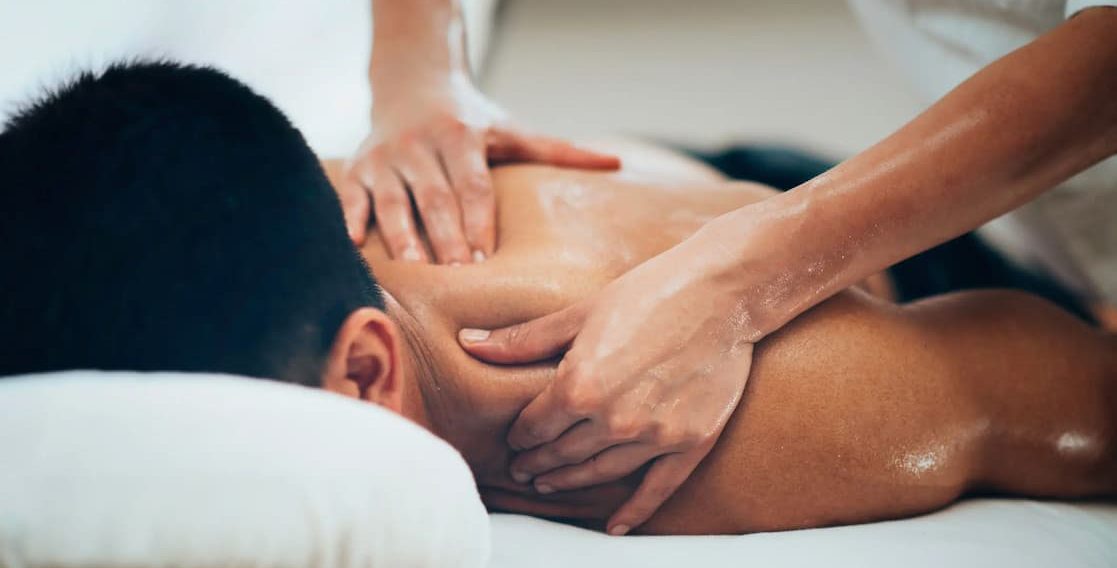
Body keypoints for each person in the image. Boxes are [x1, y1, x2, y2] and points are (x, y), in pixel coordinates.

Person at [2, 62, 1113, 535]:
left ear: (369, 371)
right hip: (649, 175)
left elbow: (1076, 395)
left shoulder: (750, 430)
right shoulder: (276, 217)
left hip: (913, 259)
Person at [353, 0, 1117, 533]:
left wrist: (741, 281)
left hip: (868, 257)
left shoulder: (788, 411)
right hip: (721, 182)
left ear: (364, 370)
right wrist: (416, 69)